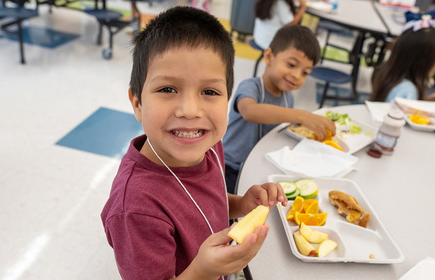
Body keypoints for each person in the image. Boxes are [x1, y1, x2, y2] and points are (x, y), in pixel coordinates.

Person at [101, 7, 287, 280]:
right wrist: (204, 270)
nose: (190, 111)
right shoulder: (137, 208)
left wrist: (241, 204)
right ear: (138, 103)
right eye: (167, 89)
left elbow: (205, 200)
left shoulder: (208, 144)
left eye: (209, 92)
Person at [223, 25, 336, 195]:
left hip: (261, 167)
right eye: (291, 65)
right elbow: (249, 111)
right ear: (269, 56)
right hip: (231, 168)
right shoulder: (250, 87)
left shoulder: (287, 97)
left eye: (305, 73)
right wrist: (302, 115)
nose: (297, 75)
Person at [370, 18, 435, 103]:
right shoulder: (408, 90)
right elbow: (403, 114)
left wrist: (426, 102)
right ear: (423, 62)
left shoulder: (390, 72)